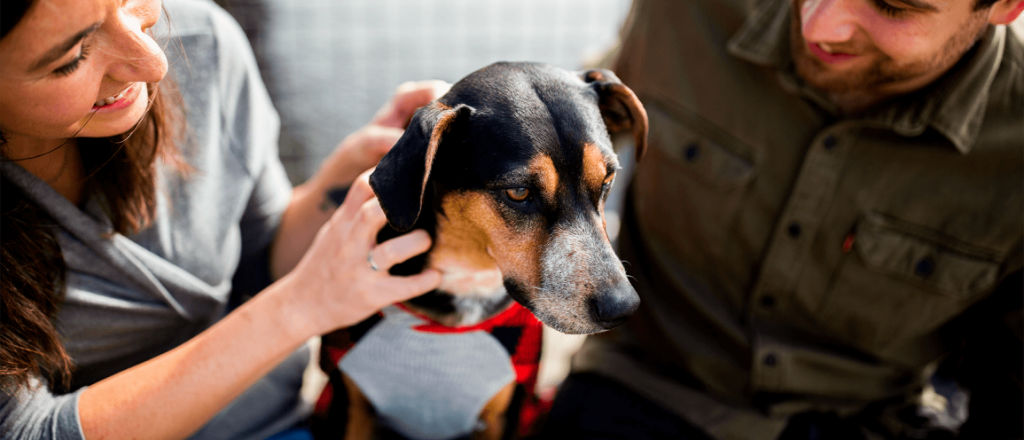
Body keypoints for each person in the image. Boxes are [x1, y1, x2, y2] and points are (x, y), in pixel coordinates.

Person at [542, 0, 1023, 439]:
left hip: (867, 423)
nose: (819, 26)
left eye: (892, 7)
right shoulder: (685, 13)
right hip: (643, 386)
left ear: (1006, 7)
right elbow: (563, 135)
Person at [0, 0, 448, 439]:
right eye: (73, 58)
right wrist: (301, 306)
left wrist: (347, 173)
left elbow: (257, 258)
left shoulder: (202, 43)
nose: (155, 62)